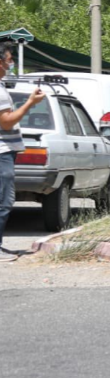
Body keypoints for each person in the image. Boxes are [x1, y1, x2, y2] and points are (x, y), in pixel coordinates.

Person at [0, 43, 44, 262]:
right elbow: (6, 123)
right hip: (2, 152)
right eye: (9, 59)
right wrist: (29, 103)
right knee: (3, 201)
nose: (11, 63)